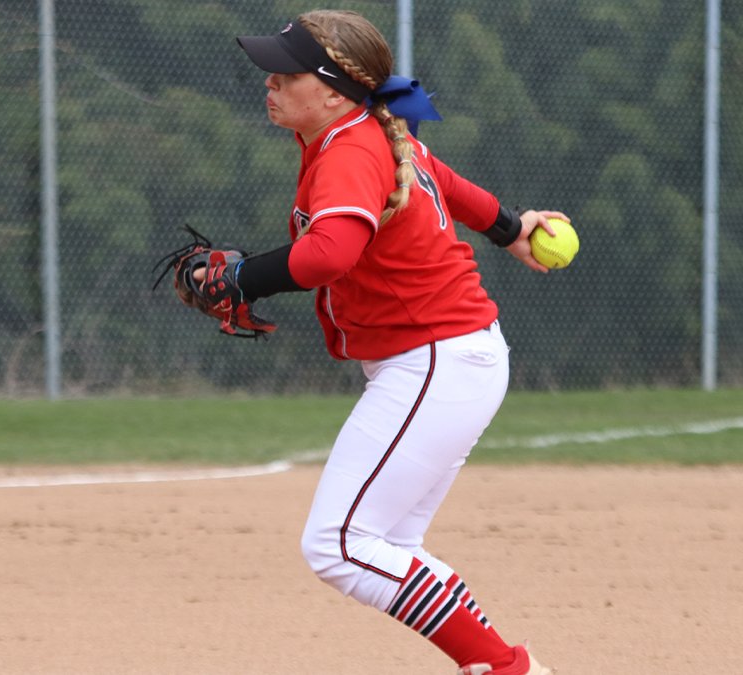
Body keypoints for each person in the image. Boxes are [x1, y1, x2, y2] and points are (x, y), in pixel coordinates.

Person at [217, 10, 566, 675]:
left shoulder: (350, 147)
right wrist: (513, 227)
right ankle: (496, 665)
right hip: (447, 357)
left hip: (435, 359)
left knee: (338, 543)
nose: (269, 82)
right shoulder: (373, 130)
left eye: (286, 73)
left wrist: (242, 278)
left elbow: (329, 254)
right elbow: (448, 182)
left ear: (330, 90)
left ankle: (506, 666)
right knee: (388, 543)